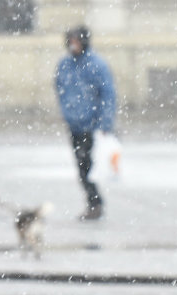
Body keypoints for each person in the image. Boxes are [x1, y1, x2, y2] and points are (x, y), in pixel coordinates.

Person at [54, 25, 116, 221]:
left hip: (92, 125)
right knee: (81, 166)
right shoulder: (65, 64)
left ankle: (95, 203)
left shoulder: (96, 65)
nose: (73, 45)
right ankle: (94, 202)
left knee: (87, 167)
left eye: (76, 40)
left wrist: (105, 122)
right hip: (74, 124)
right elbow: (59, 87)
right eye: (70, 41)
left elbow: (108, 94)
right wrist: (67, 111)